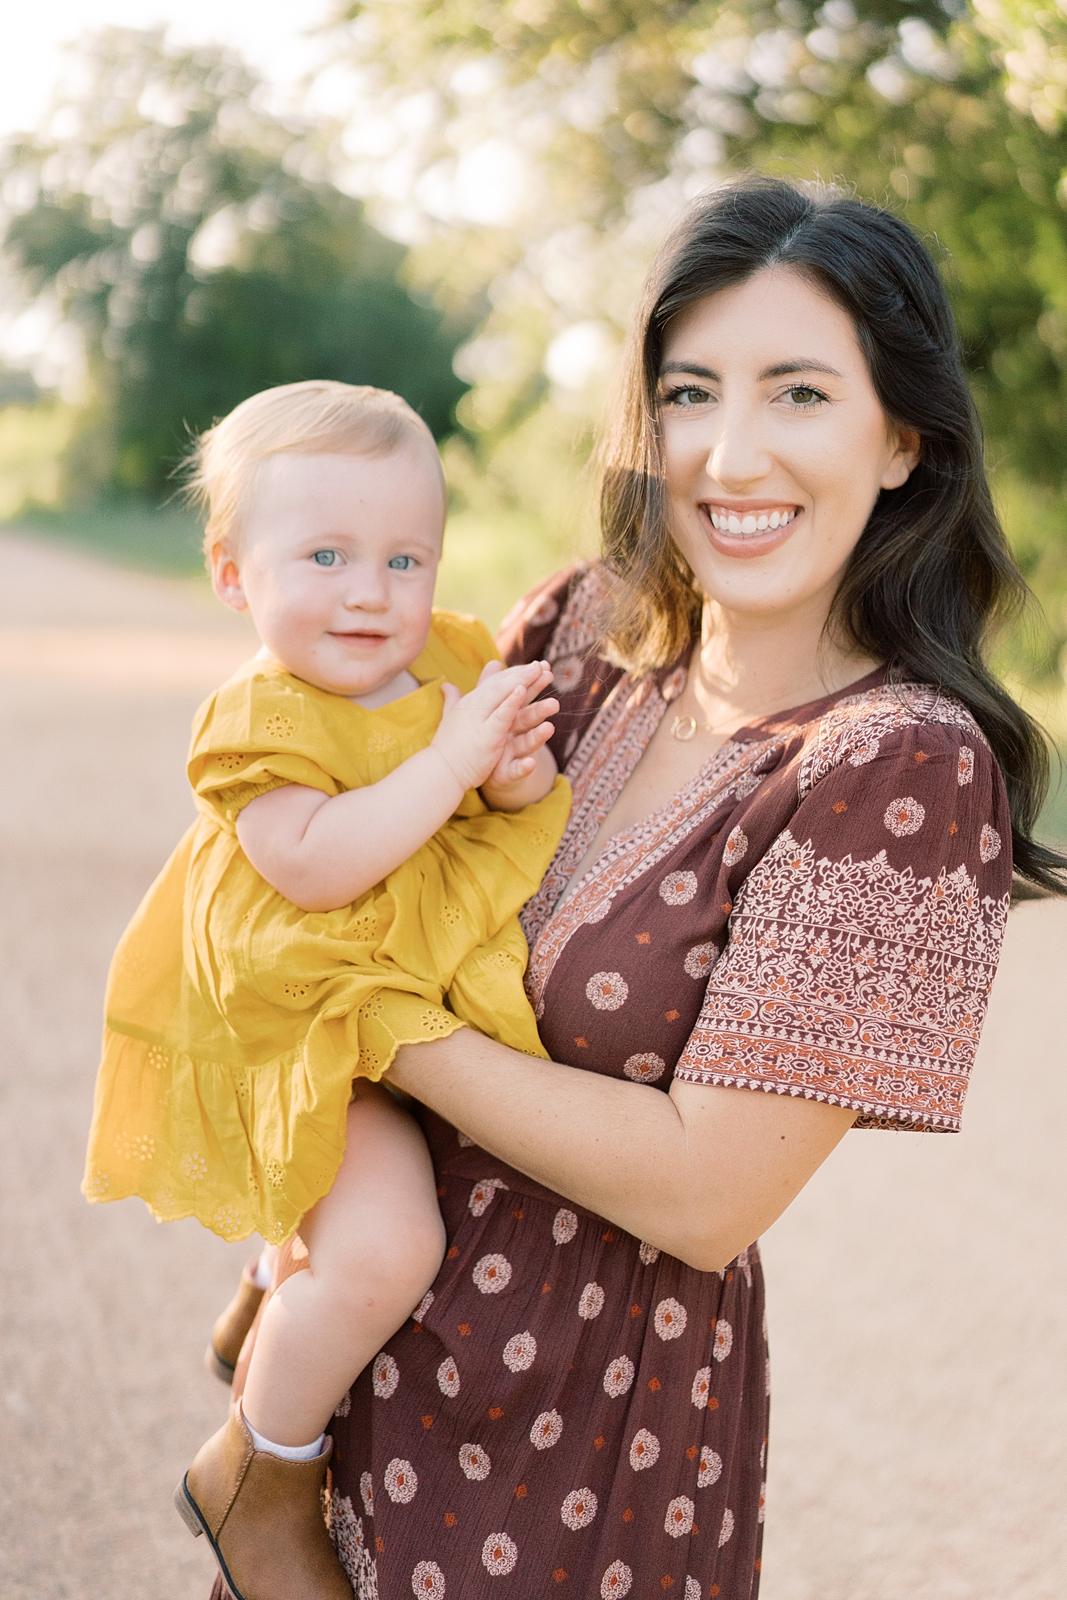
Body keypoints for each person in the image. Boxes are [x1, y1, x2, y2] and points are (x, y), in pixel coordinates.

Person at [214, 175, 1065, 1600]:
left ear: (902, 437)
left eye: (797, 394)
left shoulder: (902, 768)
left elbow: (701, 1195)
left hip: (578, 1454)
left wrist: (372, 1018)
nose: (729, 456)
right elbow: (349, 825)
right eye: (687, 393)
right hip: (337, 1379)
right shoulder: (579, 631)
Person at [81, 379, 572, 1600]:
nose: (371, 591)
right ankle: (259, 1470)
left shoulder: (450, 656)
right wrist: (454, 755)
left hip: (383, 996)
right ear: (234, 576)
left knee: (401, 1179)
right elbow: (311, 864)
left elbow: (513, 800)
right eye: (326, 554)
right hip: (293, 1014)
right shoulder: (258, 716)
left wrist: (507, 768)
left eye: (406, 557)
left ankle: (262, 1287)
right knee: (386, 1244)